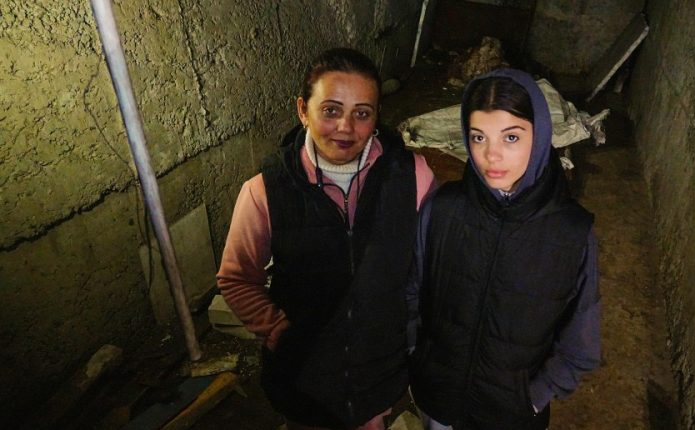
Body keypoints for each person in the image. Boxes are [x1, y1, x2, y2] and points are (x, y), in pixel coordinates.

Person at [216, 48, 436, 430]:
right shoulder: (265, 190)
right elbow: (236, 277)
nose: (346, 128)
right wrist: (274, 326)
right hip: (304, 374)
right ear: (303, 110)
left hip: (377, 371)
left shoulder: (412, 177)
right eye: (331, 110)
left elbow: (431, 260)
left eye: (362, 113)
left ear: (376, 116)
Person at [407, 68, 601, 430]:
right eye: (478, 137)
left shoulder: (572, 233)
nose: (490, 155)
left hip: (510, 416)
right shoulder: (443, 208)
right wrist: (417, 359)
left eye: (511, 137)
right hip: (438, 403)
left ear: (540, 137)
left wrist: (533, 396)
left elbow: (581, 346)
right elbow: (411, 293)